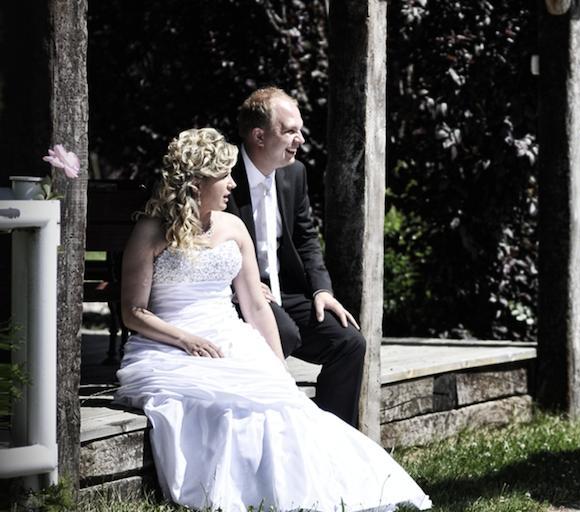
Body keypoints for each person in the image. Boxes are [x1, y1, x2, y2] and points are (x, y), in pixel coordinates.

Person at [115, 128, 431, 512]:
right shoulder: (150, 230)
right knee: (215, 407)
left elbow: (256, 306)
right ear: (198, 183)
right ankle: (234, 492)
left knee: (284, 406)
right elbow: (134, 312)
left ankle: (310, 492)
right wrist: (184, 340)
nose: (233, 183)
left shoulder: (233, 227)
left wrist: (276, 367)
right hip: (168, 343)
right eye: (224, 175)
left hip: (230, 336)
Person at [226, 86, 365, 426]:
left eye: (299, 129)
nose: (300, 139)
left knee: (350, 343)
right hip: (235, 294)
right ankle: (272, 425)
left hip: (285, 291)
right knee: (283, 332)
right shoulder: (224, 174)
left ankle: (333, 435)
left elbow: (306, 238)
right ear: (259, 136)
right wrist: (240, 284)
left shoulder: (294, 173)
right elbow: (203, 240)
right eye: (289, 131)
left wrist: (322, 290)